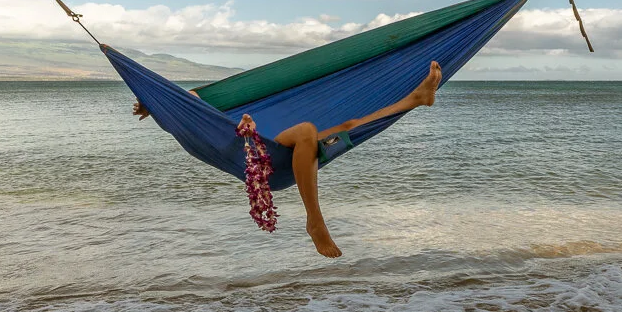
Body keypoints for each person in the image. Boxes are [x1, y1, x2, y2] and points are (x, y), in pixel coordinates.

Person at [134, 61, 443, 258]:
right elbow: (178, 106)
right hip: (257, 161)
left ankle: (416, 99)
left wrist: (156, 105)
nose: (190, 99)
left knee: (347, 127)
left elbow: (185, 100)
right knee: (308, 130)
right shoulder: (192, 121)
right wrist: (155, 106)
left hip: (280, 153)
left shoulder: (199, 105)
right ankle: (315, 221)